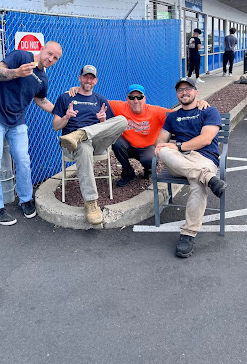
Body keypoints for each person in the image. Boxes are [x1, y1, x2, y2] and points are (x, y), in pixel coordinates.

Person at [0, 41, 62, 226]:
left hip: (17, 120)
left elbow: (40, 100)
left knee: (23, 160)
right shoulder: (20, 56)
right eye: (49, 54)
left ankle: (25, 199)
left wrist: (59, 111)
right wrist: (16, 72)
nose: (50, 59)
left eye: (55, 58)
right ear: (41, 49)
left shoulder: (43, 79)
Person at [68, 83, 209, 187]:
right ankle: (128, 172)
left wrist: (198, 103)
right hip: (127, 146)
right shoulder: (119, 106)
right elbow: (95, 101)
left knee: (149, 160)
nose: (136, 100)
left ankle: (147, 168)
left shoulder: (156, 111)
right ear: (127, 99)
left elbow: (180, 114)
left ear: (144, 98)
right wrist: (78, 90)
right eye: (132, 97)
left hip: (146, 147)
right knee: (116, 142)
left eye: (139, 97)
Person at [155, 77, 225, 258]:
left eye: (188, 89)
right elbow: (161, 139)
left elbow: (206, 139)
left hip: (203, 157)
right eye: (180, 90)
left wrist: (177, 146)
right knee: (162, 151)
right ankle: (209, 178)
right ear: (177, 94)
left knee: (197, 185)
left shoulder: (209, 111)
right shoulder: (172, 116)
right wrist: (162, 145)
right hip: (179, 160)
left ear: (196, 92)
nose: (184, 93)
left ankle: (188, 234)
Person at [53, 65, 127, 225]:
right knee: (84, 146)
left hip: (97, 142)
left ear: (96, 81)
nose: (88, 80)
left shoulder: (100, 100)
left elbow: (108, 127)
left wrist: (102, 121)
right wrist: (66, 117)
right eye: (85, 77)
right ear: (80, 78)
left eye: (91, 77)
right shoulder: (66, 98)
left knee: (122, 120)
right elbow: (55, 126)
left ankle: (81, 134)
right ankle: (91, 202)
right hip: (72, 145)